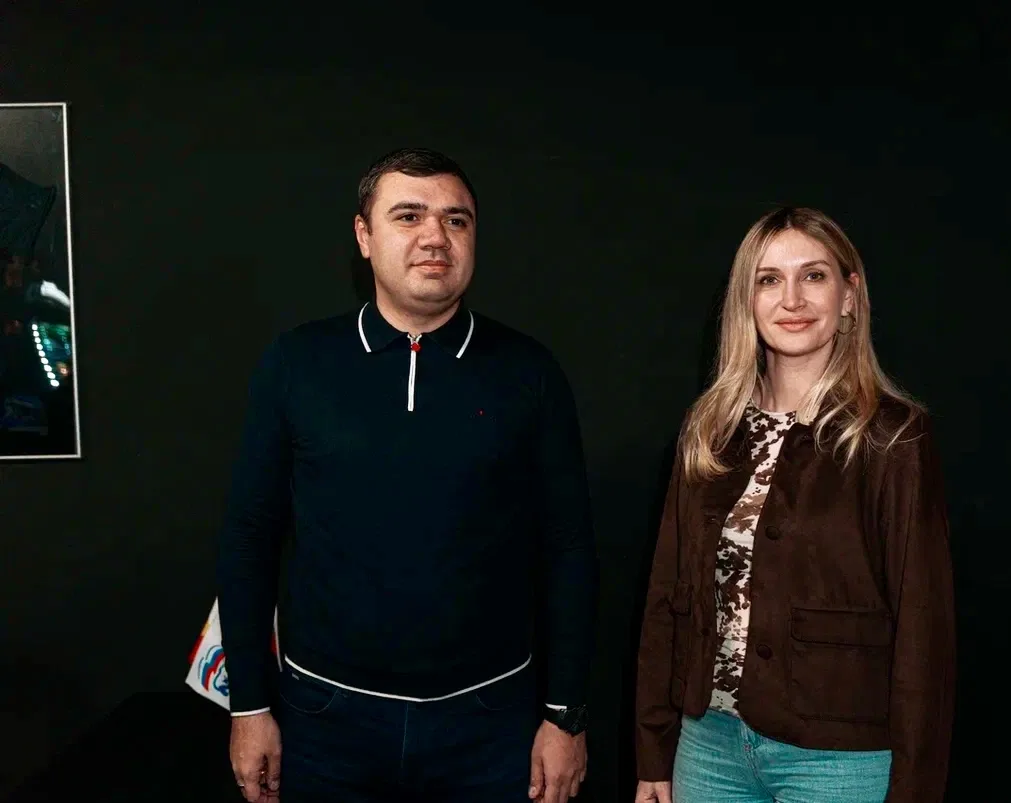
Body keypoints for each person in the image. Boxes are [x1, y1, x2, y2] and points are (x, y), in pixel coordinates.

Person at [217, 147, 597, 803]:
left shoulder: (529, 373)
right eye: (408, 215)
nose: (435, 236)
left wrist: (565, 714)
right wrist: (248, 704)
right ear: (364, 236)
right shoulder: (296, 364)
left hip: (490, 723)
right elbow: (249, 537)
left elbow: (569, 548)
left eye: (456, 220)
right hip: (323, 721)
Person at [634, 207, 956, 803]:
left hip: (839, 761)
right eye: (769, 279)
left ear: (849, 295)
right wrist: (653, 751)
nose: (792, 299)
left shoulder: (893, 438)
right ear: (746, 301)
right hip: (708, 747)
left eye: (813, 275)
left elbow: (923, 629)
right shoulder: (708, 429)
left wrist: (915, 787)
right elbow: (666, 596)